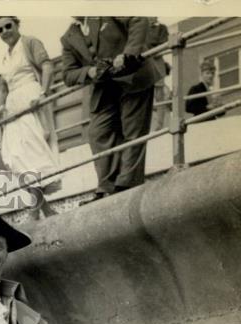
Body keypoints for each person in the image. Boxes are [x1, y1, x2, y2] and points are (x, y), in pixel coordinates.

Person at [60, 17, 164, 201]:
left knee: (133, 131)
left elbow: (139, 19)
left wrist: (128, 54)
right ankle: (106, 187)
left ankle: (127, 185)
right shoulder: (68, 37)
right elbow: (68, 74)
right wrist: (89, 72)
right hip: (104, 87)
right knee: (97, 133)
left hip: (133, 76)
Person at [0, 17, 60, 218]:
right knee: (14, 157)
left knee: (31, 152)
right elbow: (3, 88)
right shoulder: (5, 57)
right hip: (12, 108)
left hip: (31, 99)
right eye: (0, 29)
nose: (5, 31)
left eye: (8, 26)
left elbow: (47, 66)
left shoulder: (29, 43)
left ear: (17, 25)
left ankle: (34, 211)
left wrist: (43, 93)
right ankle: (46, 209)